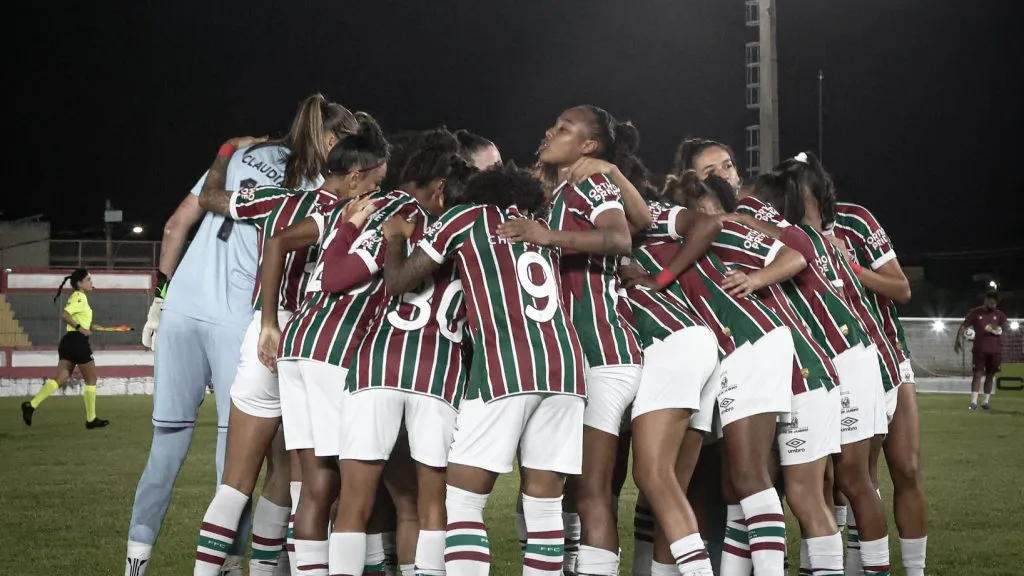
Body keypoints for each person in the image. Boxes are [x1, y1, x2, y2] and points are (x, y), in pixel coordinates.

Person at [125, 92, 349, 576]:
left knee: (164, 450)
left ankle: (135, 564)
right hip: (238, 317)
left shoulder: (242, 153)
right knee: (238, 466)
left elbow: (174, 226)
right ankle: (230, 564)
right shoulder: (315, 184)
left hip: (181, 308)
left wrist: (160, 300)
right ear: (331, 141)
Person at [381, 163, 586, 576]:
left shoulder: (467, 216)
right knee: (544, 506)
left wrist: (396, 240)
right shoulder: (534, 225)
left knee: (462, 501)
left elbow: (399, 281)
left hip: (507, 365)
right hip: (565, 368)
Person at [190, 103, 359, 576]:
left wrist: (226, 153)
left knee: (237, 483)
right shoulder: (359, 210)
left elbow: (210, 198)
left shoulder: (280, 202)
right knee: (302, 483)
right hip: (320, 342)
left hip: (263, 334)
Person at [498, 105, 651, 576]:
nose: (550, 131)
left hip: (604, 350)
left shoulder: (591, 182)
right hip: (572, 355)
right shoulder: (558, 190)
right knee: (556, 483)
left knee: (592, 489)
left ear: (588, 145)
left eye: (564, 128)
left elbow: (621, 236)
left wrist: (547, 237)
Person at [328, 133, 477, 576]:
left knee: (355, 500)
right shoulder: (475, 238)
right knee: (431, 505)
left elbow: (350, 276)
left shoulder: (396, 219)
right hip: (439, 372)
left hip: (379, 364)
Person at [257, 112, 396, 576]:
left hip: (297, 344)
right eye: (377, 178)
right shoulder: (375, 212)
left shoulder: (328, 211)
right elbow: (341, 277)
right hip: (332, 350)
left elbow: (276, 241)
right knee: (352, 485)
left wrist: (271, 322)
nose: (382, 185)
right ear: (358, 176)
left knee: (315, 482)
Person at [743, 163, 892, 576]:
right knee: (830, 482)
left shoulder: (799, 238)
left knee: (852, 480)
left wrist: (736, 219)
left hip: (843, 357)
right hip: (845, 356)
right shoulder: (819, 238)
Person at [828, 165, 927, 576]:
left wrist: (852, 267)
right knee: (853, 480)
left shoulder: (854, 220)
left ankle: (916, 570)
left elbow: (901, 288)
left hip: (888, 357)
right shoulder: (788, 236)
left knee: (906, 468)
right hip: (839, 368)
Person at [21, 268, 110, 429]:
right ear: (79, 283)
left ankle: (31, 405)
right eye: (88, 279)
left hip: (68, 342)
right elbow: (65, 315)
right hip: (77, 341)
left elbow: (75, 317)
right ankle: (91, 419)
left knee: (60, 379)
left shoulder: (77, 297)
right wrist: (81, 328)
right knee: (91, 379)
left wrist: (89, 326)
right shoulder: (79, 297)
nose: (91, 282)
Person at [955, 290, 1008, 410]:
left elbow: (1005, 326)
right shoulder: (975, 313)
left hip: (995, 351)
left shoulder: (999, 314)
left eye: (995, 304)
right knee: (977, 374)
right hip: (979, 350)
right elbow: (964, 326)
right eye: (991, 303)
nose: (993, 306)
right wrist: (957, 340)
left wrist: (998, 328)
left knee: (990, 375)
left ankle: (985, 402)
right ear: (986, 300)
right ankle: (973, 402)